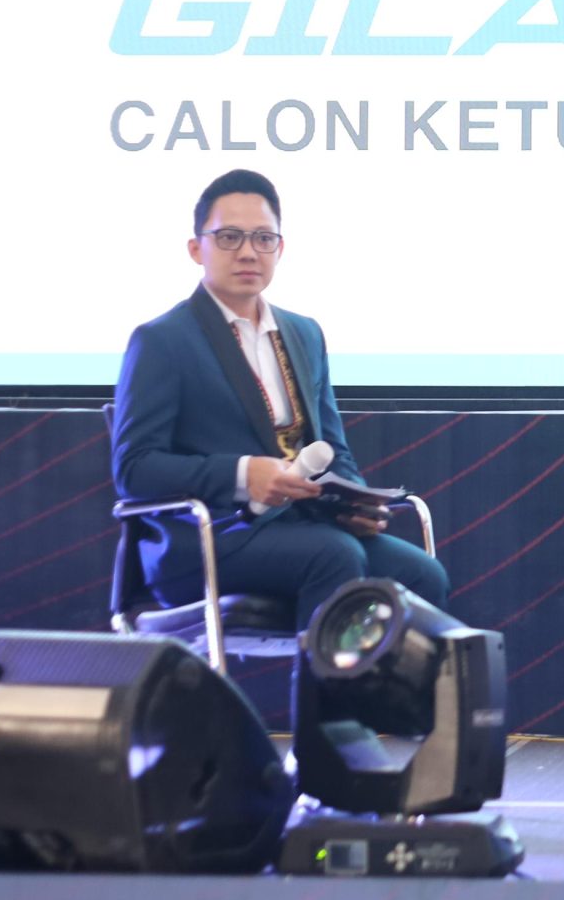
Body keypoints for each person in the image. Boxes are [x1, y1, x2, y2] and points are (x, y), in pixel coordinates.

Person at [111, 170, 450, 627]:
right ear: (196, 249)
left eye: (263, 238)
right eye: (229, 237)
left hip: (304, 525)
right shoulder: (162, 340)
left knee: (423, 574)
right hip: (209, 536)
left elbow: (333, 447)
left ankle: (386, 681)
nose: (248, 252)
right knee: (334, 555)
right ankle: (322, 679)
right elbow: (135, 469)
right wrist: (242, 474)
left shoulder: (304, 333)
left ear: (280, 248)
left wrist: (355, 505)